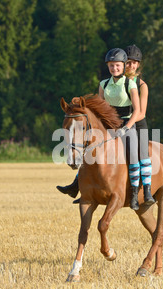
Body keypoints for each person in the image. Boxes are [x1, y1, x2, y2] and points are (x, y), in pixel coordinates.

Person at [57, 48, 143, 210]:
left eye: (117, 65)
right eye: (111, 66)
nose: (114, 68)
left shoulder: (131, 84)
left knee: (133, 155)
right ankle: (77, 186)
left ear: (124, 66)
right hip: (109, 126)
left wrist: (126, 128)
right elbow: (101, 109)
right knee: (89, 151)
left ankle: (133, 195)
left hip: (127, 125)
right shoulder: (103, 84)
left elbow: (137, 111)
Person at [124, 44, 155, 205]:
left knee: (143, 154)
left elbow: (142, 113)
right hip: (120, 123)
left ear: (138, 65)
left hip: (138, 124)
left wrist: (127, 124)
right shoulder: (116, 83)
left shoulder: (142, 86)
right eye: (128, 62)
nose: (131, 66)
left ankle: (147, 191)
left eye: (134, 63)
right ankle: (78, 184)